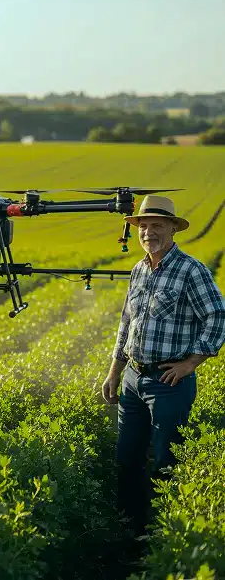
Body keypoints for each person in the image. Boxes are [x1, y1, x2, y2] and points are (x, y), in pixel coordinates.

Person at [101, 195, 225, 535]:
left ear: (172, 228)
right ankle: (129, 530)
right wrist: (115, 371)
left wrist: (190, 363)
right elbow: (126, 323)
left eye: (157, 225)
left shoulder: (191, 269)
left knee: (166, 462)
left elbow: (217, 316)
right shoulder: (138, 269)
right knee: (127, 458)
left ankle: (164, 533)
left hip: (169, 383)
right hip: (132, 377)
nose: (148, 232)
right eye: (144, 226)